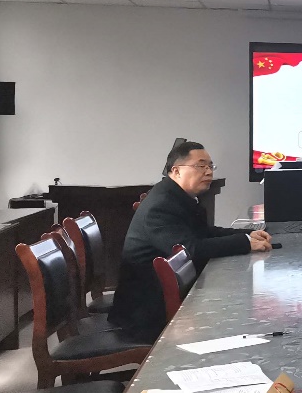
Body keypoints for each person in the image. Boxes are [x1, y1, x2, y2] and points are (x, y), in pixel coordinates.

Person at [109, 141, 273, 339]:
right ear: (176, 171)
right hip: (145, 312)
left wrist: (246, 235)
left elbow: (203, 233)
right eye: (200, 166)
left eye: (210, 166)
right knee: (244, 309)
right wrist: (244, 244)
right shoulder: (160, 206)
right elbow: (190, 249)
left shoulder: (177, 196)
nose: (208, 172)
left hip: (167, 296)